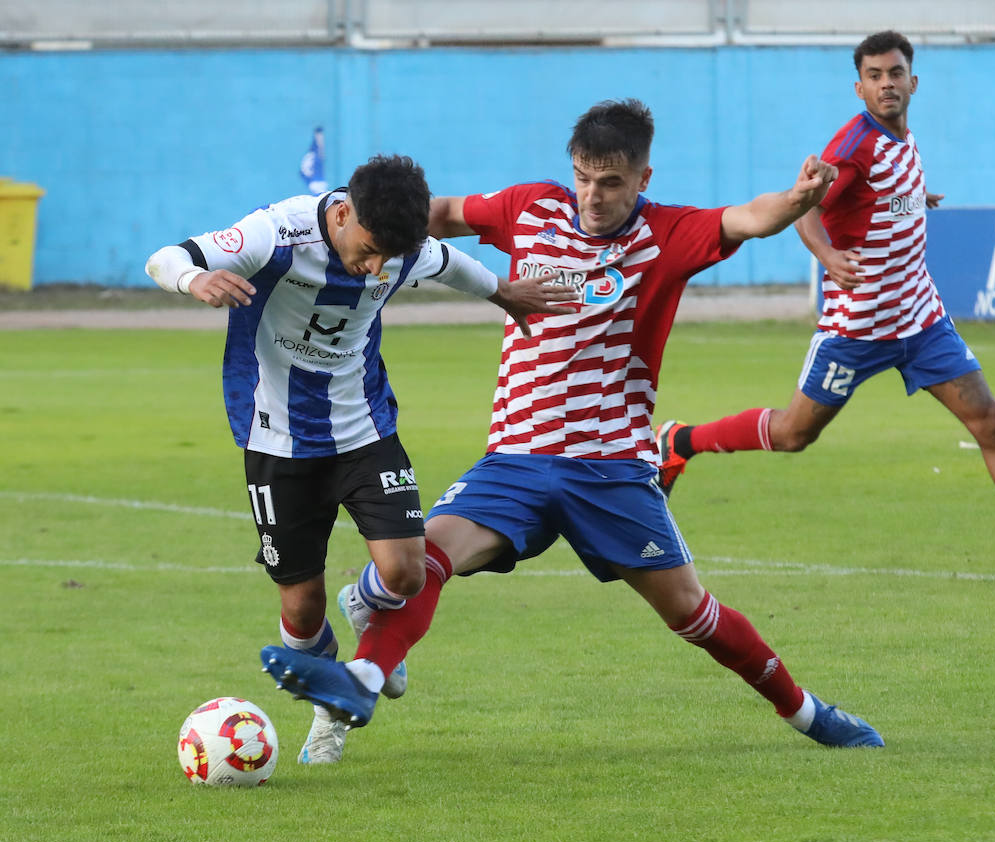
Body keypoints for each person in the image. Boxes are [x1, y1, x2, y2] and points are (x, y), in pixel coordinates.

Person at [259, 99, 884, 748]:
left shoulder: (667, 235)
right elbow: (440, 213)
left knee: (691, 614)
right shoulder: (530, 207)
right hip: (517, 460)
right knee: (427, 557)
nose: (592, 195)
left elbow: (751, 218)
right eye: (584, 177)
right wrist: (359, 223)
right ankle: (361, 678)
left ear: (643, 179)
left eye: (611, 182)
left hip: (610, 467)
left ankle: (807, 713)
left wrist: (799, 197)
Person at [146, 154, 572, 763]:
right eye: (367, 249)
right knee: (300, 605)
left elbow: (451, 264)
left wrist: (505, 294)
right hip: (278, 440)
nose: (374, 267)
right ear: (342, 212)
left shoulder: (399, 246)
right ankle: (327, 704)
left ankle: (364, 615)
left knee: (407, 572)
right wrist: (195, 280)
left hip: (364, 430)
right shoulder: (276, 233)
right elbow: (167, 257)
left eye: (387, 258)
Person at [653, 30, 995, 584]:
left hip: (919, 318)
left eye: (895, 73)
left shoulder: (904, 140)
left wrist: (920, 198)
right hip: (858, 326)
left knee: (990, 421)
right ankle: (680, 441)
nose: (886, 84)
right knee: (795, 434)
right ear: (859, 87)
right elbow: (806, 206)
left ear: (912, 81)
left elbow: (887, 192)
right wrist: (827, 254)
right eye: (874, 76)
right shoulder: (852, 148)